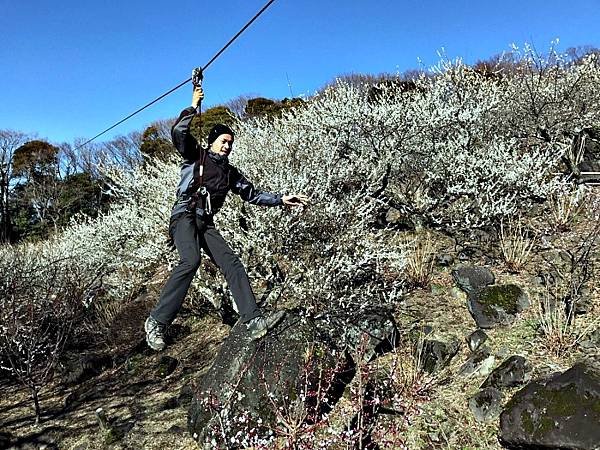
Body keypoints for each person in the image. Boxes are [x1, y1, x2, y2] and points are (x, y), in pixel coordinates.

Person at [145, 81, 309, 351]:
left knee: (232, 264)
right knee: (191, 260)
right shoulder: (195, 155)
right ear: (212, 142)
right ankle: (157, 321)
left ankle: (253, 319)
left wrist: (281, 199)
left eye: (230, 143)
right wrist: (194, 105)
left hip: (205, 223)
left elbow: (252, 194)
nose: (227, 147)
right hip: (184, 216)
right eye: (223, 142)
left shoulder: (230, 173)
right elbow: (178, 131)